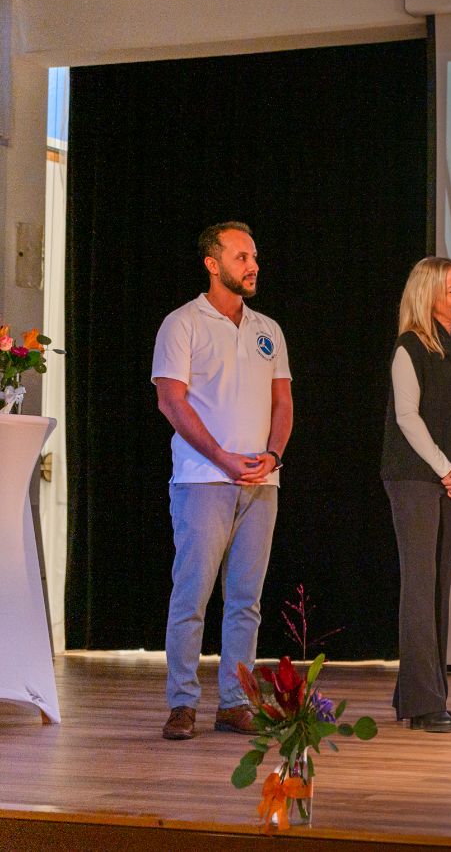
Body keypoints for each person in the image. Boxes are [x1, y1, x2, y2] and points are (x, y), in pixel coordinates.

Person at [152, 221, 292, 740]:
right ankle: (182, 703)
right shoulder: (182, 323)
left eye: (254, 256)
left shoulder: (267, 329)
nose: (253, 265)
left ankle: (235, 702)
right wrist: (221, 458)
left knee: (245, 601)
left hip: (260, 483)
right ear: (213, 264)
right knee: (192, 597)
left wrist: (272, 456)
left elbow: (283, 402)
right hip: (202, 482)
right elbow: (170, 400)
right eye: (241, 257)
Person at [380, 257, 451, 734]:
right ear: (428, 294)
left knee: (439, 585)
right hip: (414, 478)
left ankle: (419, 694)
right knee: (420, 586)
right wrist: (445, 468)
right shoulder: (410, 347)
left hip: (450, 477)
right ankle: (426, 702)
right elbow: (407, 417)